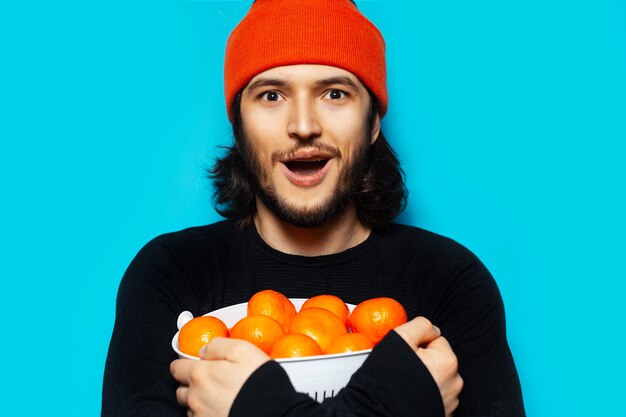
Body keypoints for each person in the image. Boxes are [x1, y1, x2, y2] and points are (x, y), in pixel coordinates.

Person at [102, 0, 526, 416]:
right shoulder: (173, 273)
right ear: (239, 123)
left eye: (335, 93)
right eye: (271, 95)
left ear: (372, 121)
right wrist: (395, 403)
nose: (303, 125)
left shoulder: (448, 281)